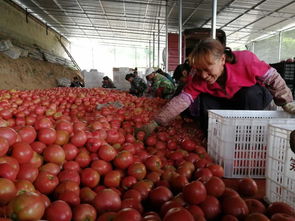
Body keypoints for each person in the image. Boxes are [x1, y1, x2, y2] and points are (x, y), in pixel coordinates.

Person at [139, 38, 295, 136]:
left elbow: (273, 77)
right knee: (205, 99)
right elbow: (182, 100)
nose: (204, 75)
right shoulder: (197, 76)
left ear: (222, 59)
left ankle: (249, 135)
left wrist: (286, 100)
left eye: (207, 69)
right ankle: (213, 137)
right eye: (199, 70)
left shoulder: (245, 60)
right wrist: (157, 121)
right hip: (227, 104)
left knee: (250, 93)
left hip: (250, 102)